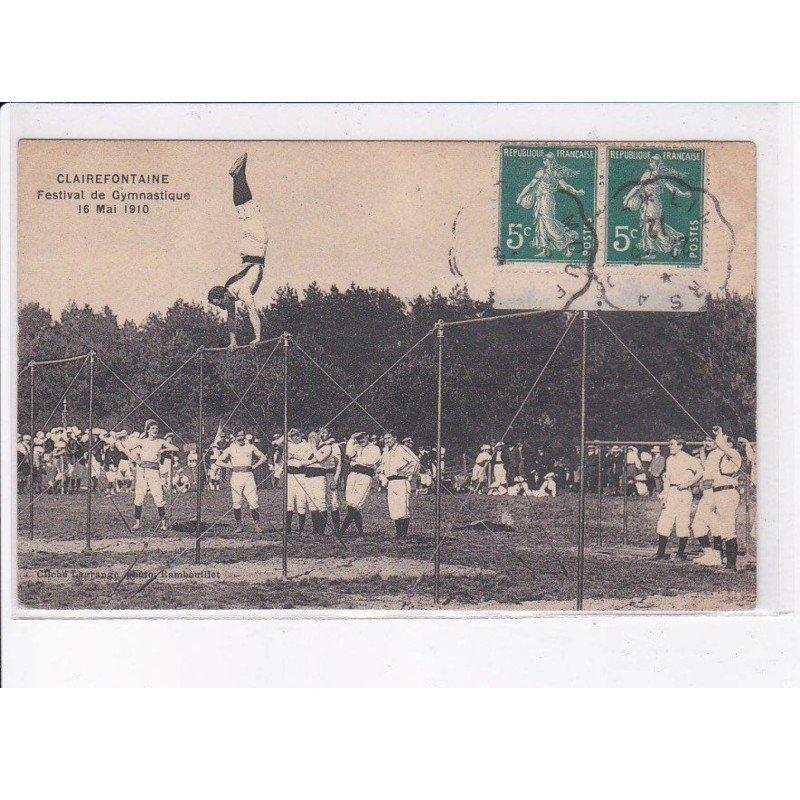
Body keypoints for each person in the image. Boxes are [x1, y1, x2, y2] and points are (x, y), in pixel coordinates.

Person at [207, 153, 268, 350]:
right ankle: (238, 176)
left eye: (220, 304)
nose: (222, 308)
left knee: (248, 211)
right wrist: (233, 341)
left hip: (256, 247)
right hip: (247, 251)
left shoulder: (239, 290)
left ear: (224, 295)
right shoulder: (231, 293)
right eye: (219, 306)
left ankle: (238, 176)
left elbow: (252, 311)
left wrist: (257, 337)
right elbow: (231, 320)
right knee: (244, 213)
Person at [515, 152, 586, 258]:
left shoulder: (554, 173)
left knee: (549, 224)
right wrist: (521, 196)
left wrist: (576, 192)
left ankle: (566, 242)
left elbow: (565, 186)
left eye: (546, 160)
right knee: (541, 223)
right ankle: (545, 249)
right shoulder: (543, 172)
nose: (544, 162)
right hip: (540, 199)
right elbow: (531, 185)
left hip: (547, 199)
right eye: (543, 160)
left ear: (551, 161)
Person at [622, 153, 692, 260]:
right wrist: (683, 194)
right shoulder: (661, 177)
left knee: (653, 227)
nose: (650, 163)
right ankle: (674, 238)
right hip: (653, 203)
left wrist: (627, 198)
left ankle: (670, 244)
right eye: (650, 161)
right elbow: (673, 189)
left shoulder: (648, 175)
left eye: (652, 161)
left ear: (656, 163)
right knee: (653, 225)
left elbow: (637, 187)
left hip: (651, 203)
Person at [123, 420, 179, 531]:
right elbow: (126, 449)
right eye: (153, 428)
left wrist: (162, 450)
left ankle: (163, 523)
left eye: (156, 429)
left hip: (154, 471)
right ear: (148, 430)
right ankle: (137, 523)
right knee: (139, 496)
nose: (155, 431)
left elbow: (175, 448)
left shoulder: (160, 441)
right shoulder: (142, 441)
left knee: (158, 496)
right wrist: (136, 460)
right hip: (142, 470)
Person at [653, 436, 702, 560]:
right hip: (671, 491)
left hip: (684, 493)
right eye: (669, 444)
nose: (669, 446)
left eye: (672, 444)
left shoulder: (688, 459)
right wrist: (665, 496)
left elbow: (701, 472)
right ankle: (660, 552)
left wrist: (688, 483)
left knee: (682, 521)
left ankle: (680, 553)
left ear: (680, 446)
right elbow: (667, 479)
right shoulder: (669, 459)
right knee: (665, 520)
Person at [214, 428, 268, 534]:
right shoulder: (230, 449)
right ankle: (239, 525)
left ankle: (257, 524)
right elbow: (218, 461)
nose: (241, 438)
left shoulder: (250, 447)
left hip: (248, 475)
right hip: (236, 476)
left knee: (253, 500)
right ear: (234, 437)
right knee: (237, 502)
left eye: (242, 435)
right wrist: (229, 465)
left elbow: (263, 457)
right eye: (238, 436)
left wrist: (255, 466)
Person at [378, 430, 420, 539]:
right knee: (394, 508)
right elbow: (382, 465)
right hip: (391, 482)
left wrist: (407, 472)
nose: (387, 441)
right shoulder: (386, 451)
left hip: (402, 481)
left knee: (402, 507)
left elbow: (415, 461)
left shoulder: (402, 449)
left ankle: (403, 535)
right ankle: (398, 534)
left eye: (389, 438)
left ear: (395, 438)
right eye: (385, 439)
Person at [340, 431, 382, 537]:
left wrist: (356, 459)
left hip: (365, 475)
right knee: (350, 504)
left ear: (367, 436)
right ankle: (360, 532)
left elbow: (371, 461)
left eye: (362, 437)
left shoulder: (374, 448)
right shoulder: (356, 446)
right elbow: (348, 454)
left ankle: (341, 531)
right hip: (353, 474)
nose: (360, 440)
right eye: (358, 438)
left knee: (356, 504)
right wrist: (351, 438)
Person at [275, 428, 316, 534]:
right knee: (289, 501)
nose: (295, 437)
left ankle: (301, 528)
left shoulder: (307, 445)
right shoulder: (289, 444)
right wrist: (286, 434)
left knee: (301, 501)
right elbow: (276, 443)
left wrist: (292, 455)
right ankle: (287, 528)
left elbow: (305, 459)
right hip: (289, 475)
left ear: (301, 434)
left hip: (301, 475)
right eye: (293, 435)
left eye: (297, 435)